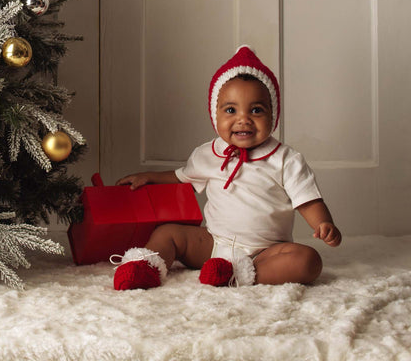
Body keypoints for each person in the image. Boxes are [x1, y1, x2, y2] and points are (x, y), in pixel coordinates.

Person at [111, 45, 342, 291]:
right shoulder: (208, 153)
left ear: (273, 116)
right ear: (215, 115)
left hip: (265, 251)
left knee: (308, 261)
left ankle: (240, 274)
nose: (243, 119)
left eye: (256, 110)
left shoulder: (286, 159)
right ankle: (147, 267)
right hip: (213, 244)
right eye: (231, 110)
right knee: (168, 233)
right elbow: (181, 177)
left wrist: (323, 224)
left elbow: (307, 200)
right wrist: (150, 177)